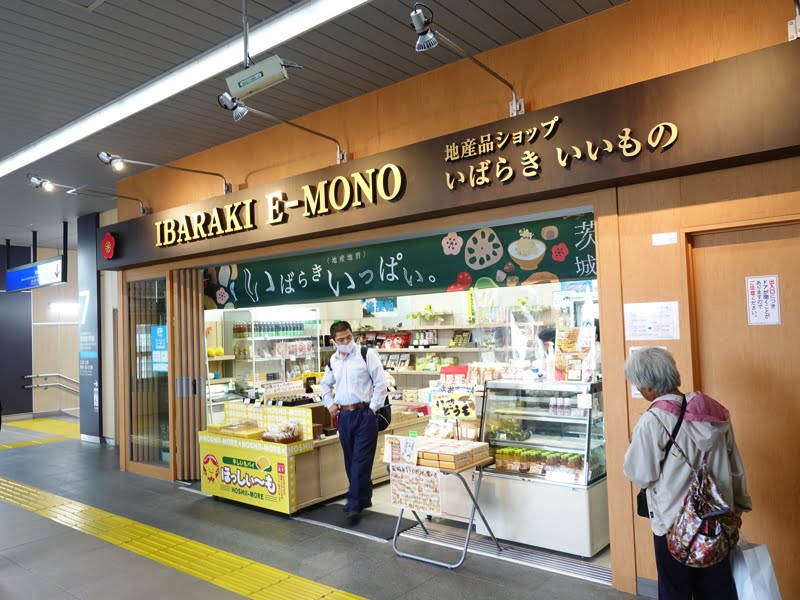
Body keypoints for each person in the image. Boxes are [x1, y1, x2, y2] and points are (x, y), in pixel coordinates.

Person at [622, 347, 751, 600]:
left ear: (649, 387)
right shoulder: (714, 412)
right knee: (718, 587)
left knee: (675, 589)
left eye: (638, 385)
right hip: (718, 517)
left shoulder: (653, 421)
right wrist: (738, 507)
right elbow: (734, 464)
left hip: (674, 522)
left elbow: (640, 474)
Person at [321, 321, 387, 521]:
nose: (346, 341)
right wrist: (330, 404)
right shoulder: (333, 361)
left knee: (361, 460)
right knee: (350, 460)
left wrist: (372, 410)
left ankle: (354, 503)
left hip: (365, 413)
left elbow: (381, 384)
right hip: (344, 416)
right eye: (341, 339)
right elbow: (324, 385)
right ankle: (363, 497)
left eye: (348, 337)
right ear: (334, 341)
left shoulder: (366, 355)